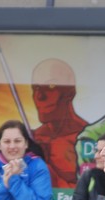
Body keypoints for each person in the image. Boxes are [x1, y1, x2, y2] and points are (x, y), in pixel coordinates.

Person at [32, 58, 88, 188]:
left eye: (51, 86)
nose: (40, 95)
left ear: (70, 92)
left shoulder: (87, 137)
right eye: (36, 88)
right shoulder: (33, 138)